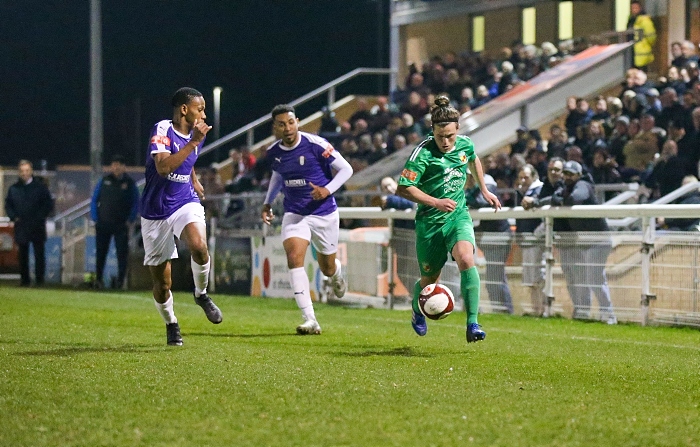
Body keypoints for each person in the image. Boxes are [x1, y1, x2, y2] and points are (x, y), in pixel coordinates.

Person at [396, 95, 501, 343]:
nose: (445, 141)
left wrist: (484, 189)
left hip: (457, 216)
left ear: (457, 130)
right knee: (430, 280)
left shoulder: (464, 144)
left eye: (450, 136)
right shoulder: (422, 153)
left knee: (466, 258)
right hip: (429, 223)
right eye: (440, 136)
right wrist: (435, 202)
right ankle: (417, 310)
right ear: (432, 130)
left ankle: (473, 323)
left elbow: (474, 158)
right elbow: (403, 188)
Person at [140, 87, 223, 346]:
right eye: (200, 108)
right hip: (155, 210)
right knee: (162, 284)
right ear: (184, 110)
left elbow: (190, 159)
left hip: (184, 200)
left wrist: (194, 180)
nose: (204, 113)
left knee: (198, 245)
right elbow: (164, 166)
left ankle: (201, 293)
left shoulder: (197, 134)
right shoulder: (162, 129)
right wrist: (194, 143)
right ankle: (171, 323)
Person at [261, 104, 353, 335]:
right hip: (295, 213)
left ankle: (337, 273)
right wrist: (268, 202)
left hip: (324, 213)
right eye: (282, 124)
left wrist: (327, 190)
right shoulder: (273, 152)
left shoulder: (316, 144)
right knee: (294, 257)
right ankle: (310, 319)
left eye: (291, 122)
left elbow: (346, 169)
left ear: (297, 122)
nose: (288, 128)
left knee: (327, 267)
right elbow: (278, 176)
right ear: (275, 127)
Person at [526, 161, 617, 323]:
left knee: (594, 279)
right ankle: (588, 313)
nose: (567, 177)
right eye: (565, 174)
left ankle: (609, 315)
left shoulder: (583, 184)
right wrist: (536, 202)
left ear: (578, 175)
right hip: (584, 241)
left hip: (598, 239)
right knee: (587, 279)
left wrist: (559, 199)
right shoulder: (566, 188)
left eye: (570, 174)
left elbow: (576, 198)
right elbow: (552, 198)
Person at [465, 173, 513, 313]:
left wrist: (465, 197)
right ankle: (500, 310)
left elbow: (483, 202)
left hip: (498, 236)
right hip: (488, 236)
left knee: (495, 278)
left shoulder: (488, 183)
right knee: (495, 278)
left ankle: (505, 310)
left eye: (470, 176)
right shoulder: (471, 189)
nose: (469, 180)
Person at [90, 154, 139, 289]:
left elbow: (136, 202)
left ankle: (120, 281)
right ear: (111, 166)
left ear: (124, 167)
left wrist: (130, 219)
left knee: (121, 254)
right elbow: (95, 200)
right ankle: (98, 279)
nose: (116, 167)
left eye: (119, 164)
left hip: (121, 225)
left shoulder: (129, 184)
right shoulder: (104, 181)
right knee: (101, 253)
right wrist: (95, 218)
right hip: (103, 224)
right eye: (114, 164)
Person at [4, 160, 54, 287]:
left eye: (27, 171)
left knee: (39, 254)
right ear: (19, 173)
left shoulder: (40, 187)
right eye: (22, 171)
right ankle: (25, 280)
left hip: (37, 225)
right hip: (21, 225)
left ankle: (39, 280)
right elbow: (8, 205)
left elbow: (48, 204)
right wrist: (13, 217)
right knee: (22, 255)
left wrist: (40, 217)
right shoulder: (14, 189)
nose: (24, 173)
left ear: (31, 171)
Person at [515, 164, 546, 316]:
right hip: (526, 239)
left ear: (534, 176)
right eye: (520, 177)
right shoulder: (521, 191)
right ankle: (536, 310)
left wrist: (536, 234)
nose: (523, 180)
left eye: (526, 177)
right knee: (531, 278)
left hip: (536, 239)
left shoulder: (540, 189)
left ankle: (543, 310)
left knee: (538, 277)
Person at [627, 0, 657, 72]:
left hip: (642, 50)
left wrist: (646, 45)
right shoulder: (631, 19)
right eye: (632, 8)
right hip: (631, 49)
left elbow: (651, 36)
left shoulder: (645, 20)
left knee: (642, 70)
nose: (634, 10)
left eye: (636, 8)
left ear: (640, 8)